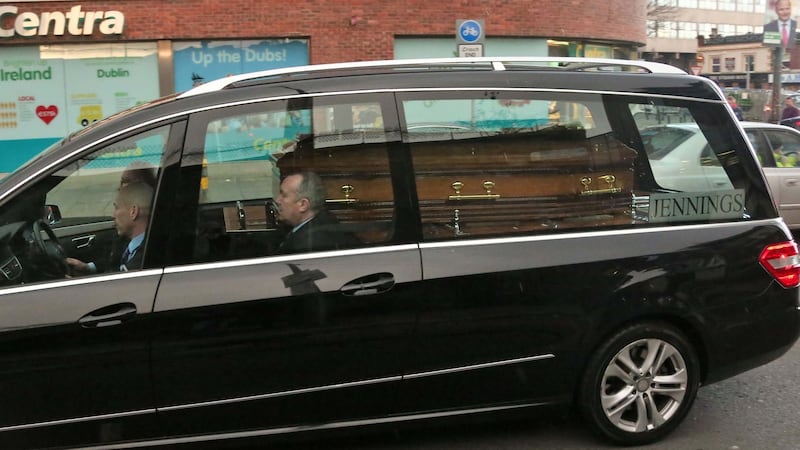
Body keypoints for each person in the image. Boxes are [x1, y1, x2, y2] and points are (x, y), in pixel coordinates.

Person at [67, 181, 154, 273]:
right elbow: (115, 265)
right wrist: (87, 267)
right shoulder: (131, 244)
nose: (113, 215)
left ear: (133, 212)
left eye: (117, 208)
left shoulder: (145, 257)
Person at [274, 171, 358, 254]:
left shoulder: (308, 245)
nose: (277, 200)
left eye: (284, 195)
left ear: (303, 205)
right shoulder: (326, 221)